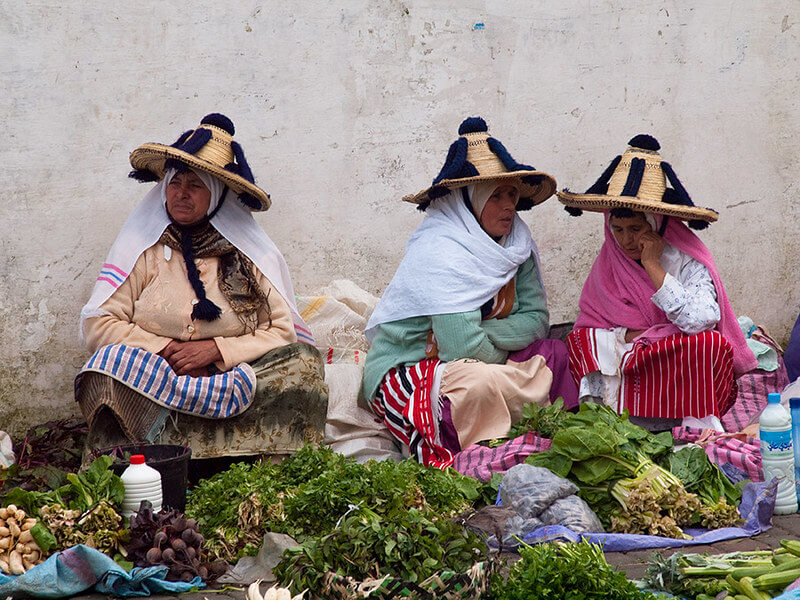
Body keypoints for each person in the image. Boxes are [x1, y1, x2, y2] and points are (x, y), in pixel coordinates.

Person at [75, 113, 327, 461]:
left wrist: (216, 352)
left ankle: (251, 457)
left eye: (195, 185)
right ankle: (143, 458)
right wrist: (166, 350)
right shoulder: (144, 249)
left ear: (217, 195)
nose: (181, 193)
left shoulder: (249, 255)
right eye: (175, 183)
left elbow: (283, 331)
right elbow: (98, 324)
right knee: (105, 366)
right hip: (158, 378)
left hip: (230, 378)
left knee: (303, 364)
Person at [363, 117, 578, 468]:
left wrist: (484, 333)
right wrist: (491, 342)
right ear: (469, 201)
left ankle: (511, 428)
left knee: (554, 353)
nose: (509, 206)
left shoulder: (516, 245)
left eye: (512, 194)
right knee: (477, 382)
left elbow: (537, 321)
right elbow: (461, 348)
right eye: (496, 196)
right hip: (416, 367)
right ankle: (484, 449)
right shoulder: (440, 251)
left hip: (477, 359)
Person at [557, 135, 757, 430]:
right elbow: (589, 327)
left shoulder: (687, 260)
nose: (626, 240)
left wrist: (653, 266)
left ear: (656, 224)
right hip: (633, 355)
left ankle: (692, 426)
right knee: (580, 343)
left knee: (710, 345)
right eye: (618, 229)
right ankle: (615, 421)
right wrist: (639, 337)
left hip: (674, 355)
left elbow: (702, 320)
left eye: (636, 228)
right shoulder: (608, 263)